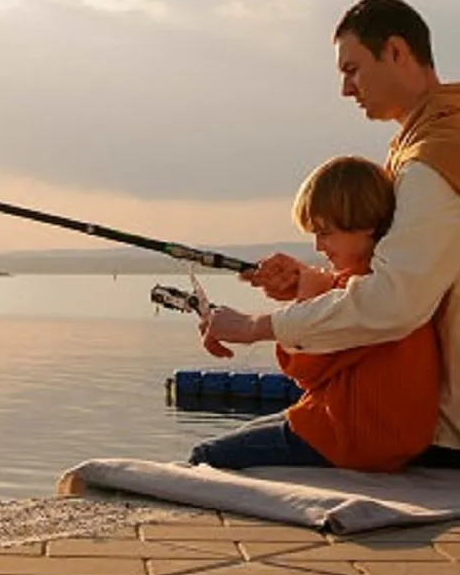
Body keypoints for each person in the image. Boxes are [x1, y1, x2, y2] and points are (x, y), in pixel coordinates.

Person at [198, 0, 460, 468]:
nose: (346, 89)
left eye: (353, 69)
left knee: (209, 459)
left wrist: (254, 327)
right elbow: (408, 276)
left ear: (397, 52)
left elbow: (392, 303)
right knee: (253, 437)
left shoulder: (437, 163)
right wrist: (313, 282)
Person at [188, 155, 442, 473]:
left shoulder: (369, 299)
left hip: (355, 439)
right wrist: (305, 287)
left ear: (366, 225)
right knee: (248, 432)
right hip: (381, 435)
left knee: (205, 455)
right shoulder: (387, 284)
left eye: (325, 233)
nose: (319, 247)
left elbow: (305, 372)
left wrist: (305, 299)